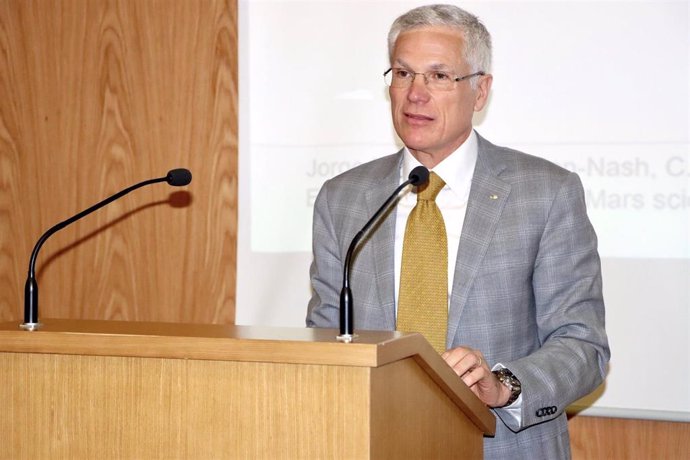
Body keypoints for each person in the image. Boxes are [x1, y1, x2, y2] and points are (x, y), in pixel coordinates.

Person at [306, 4, 610, 458]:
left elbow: (583, 347)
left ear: (480, 90)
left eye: (439, 76)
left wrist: (503, 385)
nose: (415, 94)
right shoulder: (343, 198)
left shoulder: (546, 193)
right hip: (369, 443)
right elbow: (324, 338)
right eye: (403, 74)